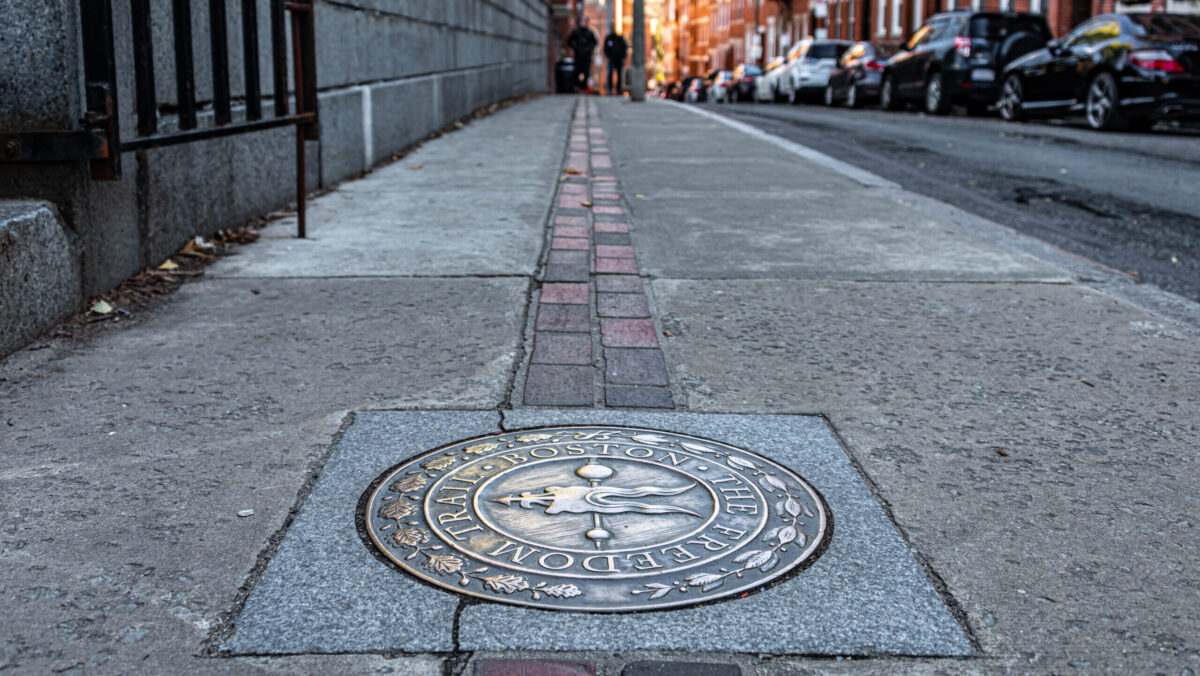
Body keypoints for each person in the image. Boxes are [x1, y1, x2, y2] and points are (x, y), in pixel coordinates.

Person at [566, 15, 598, 92]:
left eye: (585, 22)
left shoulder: (590, 33)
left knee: (586, 72)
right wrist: (575, 48)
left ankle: (583, 87)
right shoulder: (576, 32)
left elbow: (594, 42)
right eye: (582, 22)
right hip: (578, 55)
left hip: (587, 55)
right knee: (577, 71)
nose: (583, 23)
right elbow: (569, 41)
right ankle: (577, 86)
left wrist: (589, 49)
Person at [603, 30, 628, 96]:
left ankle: (618, 89)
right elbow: (605, 48)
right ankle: (610, 88)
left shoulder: (620, 38)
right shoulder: (609, 38)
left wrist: (623, 57)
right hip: (611, 59)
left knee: (619, 74)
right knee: (610, 73)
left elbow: (624, 48)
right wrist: (608, 56)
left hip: (619, 59)